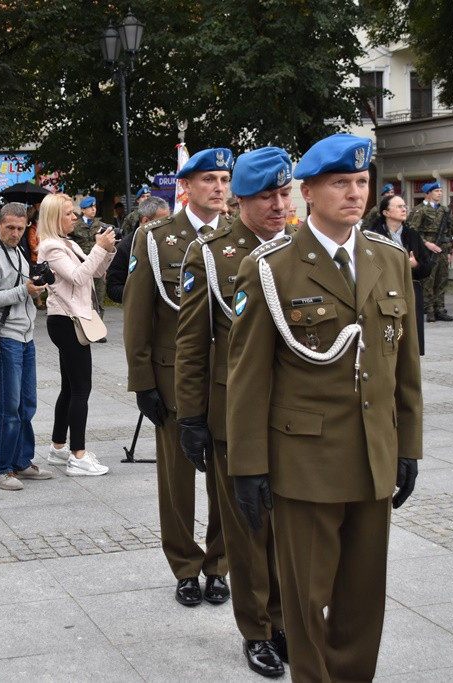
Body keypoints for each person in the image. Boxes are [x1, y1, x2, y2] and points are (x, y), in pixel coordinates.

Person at [227, 133, 422, 682]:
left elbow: (404, 370)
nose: (355, 193)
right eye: (341, 183)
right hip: (305, 462)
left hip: (372, 458)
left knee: (363, 600)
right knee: (306, 603)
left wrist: (407, 448)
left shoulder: (388, 259)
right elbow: (248, 377)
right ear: (307, 192)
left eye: (362, 182)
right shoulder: (272, 266)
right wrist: (248, 466)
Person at [175, 147, 294, 677]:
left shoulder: (299, 249)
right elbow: (192, 343)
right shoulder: (211, 253)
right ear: (242, 199)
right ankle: (257, 630)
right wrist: (192, 417)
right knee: (248, 531)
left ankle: (286, 619)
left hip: (295, 417)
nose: (278, 204)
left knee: (289, 527)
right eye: (267, 195)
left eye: (285, 193)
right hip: (231, 416)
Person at [123, 148, 231, 607]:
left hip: (228, 380)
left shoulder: (238, 237)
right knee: (177, 480)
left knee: (227, 478)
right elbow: (137, 314)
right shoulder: (156, 238)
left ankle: (220, 564)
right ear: (186, 186)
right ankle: (185, 566)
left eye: (226, 179)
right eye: (210, 179)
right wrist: (142, 380)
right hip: (171, 380)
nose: (220, 188)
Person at [38, 193, 115, 477]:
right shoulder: (51, 247)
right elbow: (79, 277)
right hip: (67, 320)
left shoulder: (66, 243)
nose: (74, 217)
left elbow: (96, 273)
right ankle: (78, 455)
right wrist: (98, 248)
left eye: (73, 212)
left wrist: (108, 249)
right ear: (55, 216)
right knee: (82, 388)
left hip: (71, 318)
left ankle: (59, 447)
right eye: (69, 213)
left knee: (70, 388)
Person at [0, 202, 49, 491]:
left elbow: (19, 287)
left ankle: (21, 462)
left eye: (21, 228)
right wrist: (24, 290)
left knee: (27, 404)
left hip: (25, 336)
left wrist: (34, 285)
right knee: (9, 407)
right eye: (11, 228)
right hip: (5, 337)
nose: (16, 233)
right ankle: (1, 469)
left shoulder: (16, 250)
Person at [370, 194, 434, 354]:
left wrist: (415, 264)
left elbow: (427, 268)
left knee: (410, 341)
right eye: (399, 206)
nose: (404, 209)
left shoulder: (413, 235)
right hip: (383, 292)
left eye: (404, 206)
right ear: (386, 212)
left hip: (410, 290)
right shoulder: (372, 235)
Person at [105, 196, 170, 303]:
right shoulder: (125, 248)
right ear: (146, 221)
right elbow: (113, 288)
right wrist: (139, 295)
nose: (167, 227)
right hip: (141, 313)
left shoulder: (171, 242)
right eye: (163, 222)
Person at [409, 181, 453, 322]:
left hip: (441, 248)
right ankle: (429, 309)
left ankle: (440, 308)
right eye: (436, 191)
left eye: (441, 191)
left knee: (442, 279)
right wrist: (426, 243)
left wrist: (448, 251)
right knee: (428, 280)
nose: (439, 193)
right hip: (427, 250)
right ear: (428, 193)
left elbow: (449, 232)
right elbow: (412, 231)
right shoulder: (419, 210)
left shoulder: (444, 210)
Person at [71, 196, 106, 314]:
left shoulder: (101, 225)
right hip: (82, 266)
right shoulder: (75, 226)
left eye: (94, 206)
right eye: (90, 207)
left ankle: (99, 327)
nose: (93, 209)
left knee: (99, 299)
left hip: (98, 266)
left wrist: (104, 266)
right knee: (84, 298)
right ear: (83, 210)